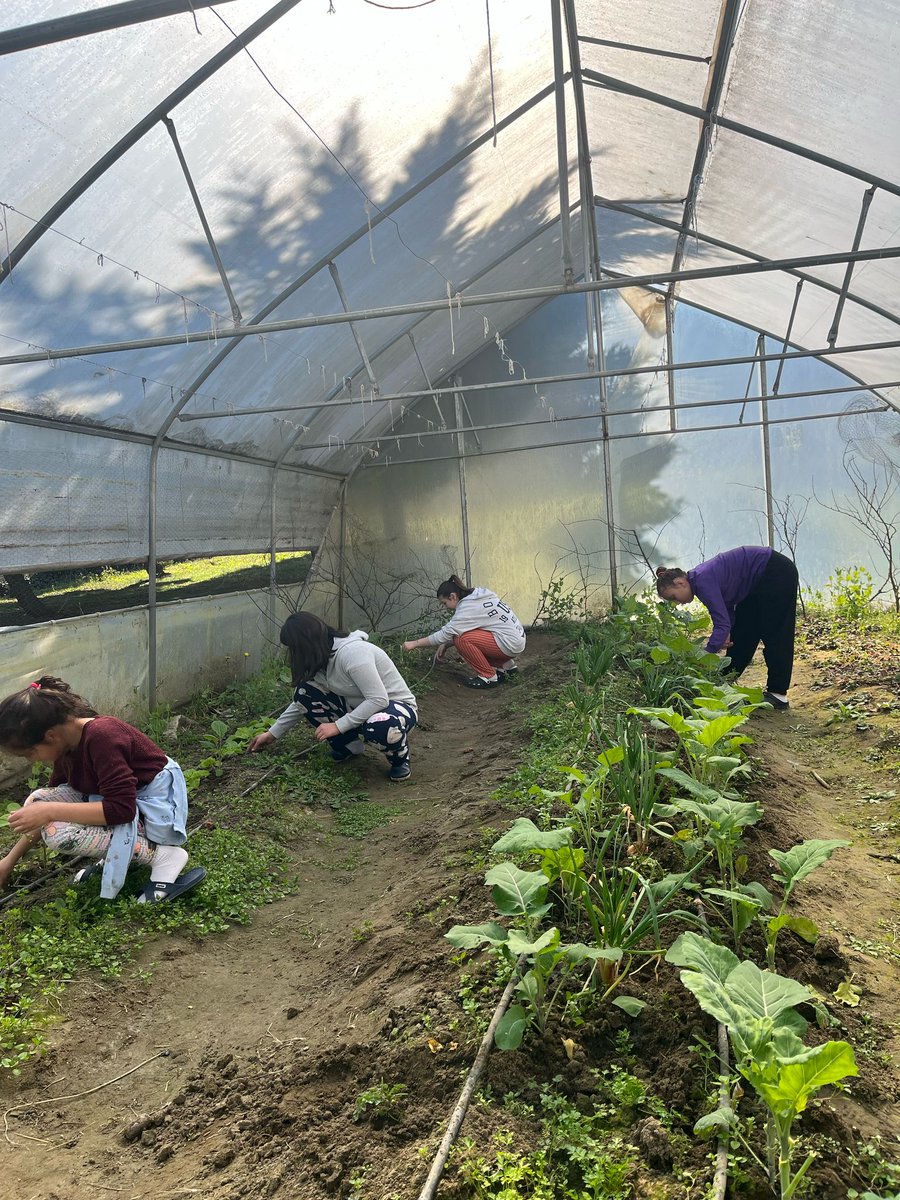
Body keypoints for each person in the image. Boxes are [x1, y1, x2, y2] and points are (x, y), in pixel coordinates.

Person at [0, 677, 205, 901]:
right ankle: (117, 852)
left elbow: (121, 810)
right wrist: (8, 862)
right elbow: (47, 811)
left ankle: (163, 856)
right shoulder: (66, 746)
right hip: (128, 799)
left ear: (51, 736)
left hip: (155, 806)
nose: (34, 760)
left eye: (30, 753)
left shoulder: (102, 736)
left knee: (58, 833)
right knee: (38, 800)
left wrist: (49, 812)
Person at [247, 612, 417, 782]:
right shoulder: (321, 659)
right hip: (358, 707)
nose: (293, 653)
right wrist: (272, 733)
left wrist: (338, 725)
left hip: (395, 709)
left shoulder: (353, 653)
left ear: (306, 644)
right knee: (304, 692)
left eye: (294, 648)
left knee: (380, 725)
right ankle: (349, 746)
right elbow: (301, 702)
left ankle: (399, 758)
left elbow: (378, 699)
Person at [655, 546, 800, 710]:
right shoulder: (699, 580)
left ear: (680, 582)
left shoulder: (702, 580)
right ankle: (724, 679)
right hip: (756, 583)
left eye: (674, 597)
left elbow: (721, 623)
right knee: (743, 631)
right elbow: (727, 607)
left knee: (775, 633)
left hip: (775, 571)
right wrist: (728, 630)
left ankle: (778, 694)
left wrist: (706, 654)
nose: (677, 603)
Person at [403, 574, 526, 690]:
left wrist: (414, 644)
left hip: (508, 644)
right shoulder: (478, 595)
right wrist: (446, 645)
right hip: (515, 641)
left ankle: (488, 677)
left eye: (444, 603)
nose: (445, 607)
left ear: (453, 596)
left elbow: (444, 635)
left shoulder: (468, 607)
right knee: (465, 636)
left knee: (461, 640)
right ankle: (507, 667)